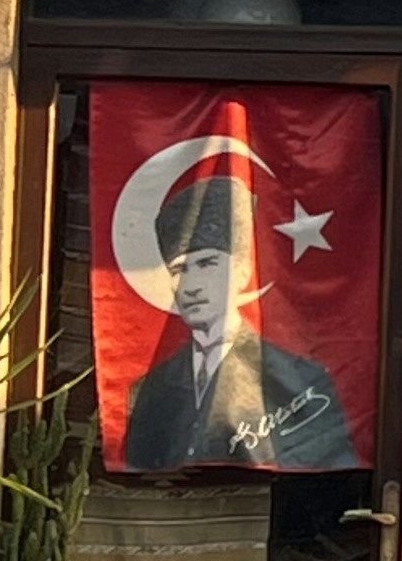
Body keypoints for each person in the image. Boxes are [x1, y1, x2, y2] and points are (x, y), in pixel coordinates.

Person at [119, 168, 358, 472]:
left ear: (243, 273)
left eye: (207, 263)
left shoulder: (302, 381)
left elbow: (325, 479)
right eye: (180, 270)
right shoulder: (148, 392)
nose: (191, 285)